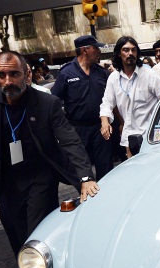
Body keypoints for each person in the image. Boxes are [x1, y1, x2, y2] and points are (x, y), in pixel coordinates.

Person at [0, 51, 100, 268]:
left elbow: (69, 139)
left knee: (37, 227)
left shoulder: (47, 102)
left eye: (14, 74)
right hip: (7, 177)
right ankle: (27, 267)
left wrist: (85, 177)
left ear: (27, 74)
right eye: (2, 75)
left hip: (39, 175)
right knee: (13, 226)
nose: (8, 81)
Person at [52, 35, 113, 181]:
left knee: (105, 168)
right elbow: (54, 100)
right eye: (96, 48)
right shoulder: (66, 73)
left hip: (101, 128)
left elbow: (111, 99)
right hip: (78, 130)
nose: (99, 51)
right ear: (85, 50)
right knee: (80, 170)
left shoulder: (101, 73)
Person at [99, 36, 160, 158]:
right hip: (129, 136)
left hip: (151, 136)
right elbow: (106, 104)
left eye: (134, 50)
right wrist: (105, 122)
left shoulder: (149, 75)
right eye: (126, 50)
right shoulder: (114, 78)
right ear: (119, 54)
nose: (130, 53)